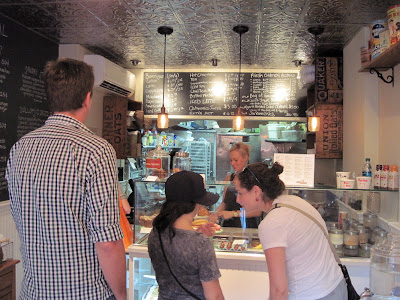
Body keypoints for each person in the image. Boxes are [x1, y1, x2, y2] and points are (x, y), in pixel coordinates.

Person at [6, 58, 126, 300]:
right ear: (87, 98)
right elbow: (108, 243)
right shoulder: (96, 150)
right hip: (85, 293)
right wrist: (122, 295)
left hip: (34, 292)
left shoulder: (19, 148)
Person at [234, 162, 347, 300]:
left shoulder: (271, 224)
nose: (237, 199)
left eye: (240, 193)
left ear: (256, 191)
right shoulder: (295, 201)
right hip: (338, 287)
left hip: (313, 295)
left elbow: (279, 291)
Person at [148, 171, 224, 300]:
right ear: (196, 203)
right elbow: (214, 296)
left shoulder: (155, 234)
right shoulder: (200, 243)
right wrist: (198, 238)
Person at [209, 142, 262, 228]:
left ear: (245, 157)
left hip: (246, 226)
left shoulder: (253, 179)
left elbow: (258, 211)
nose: (232, 163)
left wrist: (233, 213)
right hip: (228, 225)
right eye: (231, 160)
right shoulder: (229, 177)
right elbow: (224, 203)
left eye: (236, 160)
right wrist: (216, 213)